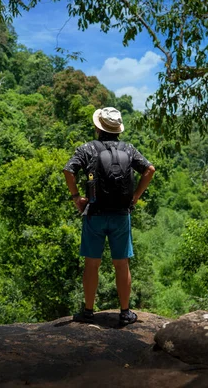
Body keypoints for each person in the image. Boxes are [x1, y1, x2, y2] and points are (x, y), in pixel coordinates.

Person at [63, 107, 155, 326]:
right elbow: (149, 170)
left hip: (94, 213)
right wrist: (135, 196)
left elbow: (68, 170)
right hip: (121, 215)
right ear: (118, 129)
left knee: (92, 263)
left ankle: (87, 312)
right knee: (121, 263)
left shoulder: (87, 149)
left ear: (98, 127)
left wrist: (76, 197)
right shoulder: (129, 149)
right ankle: (125, 312)